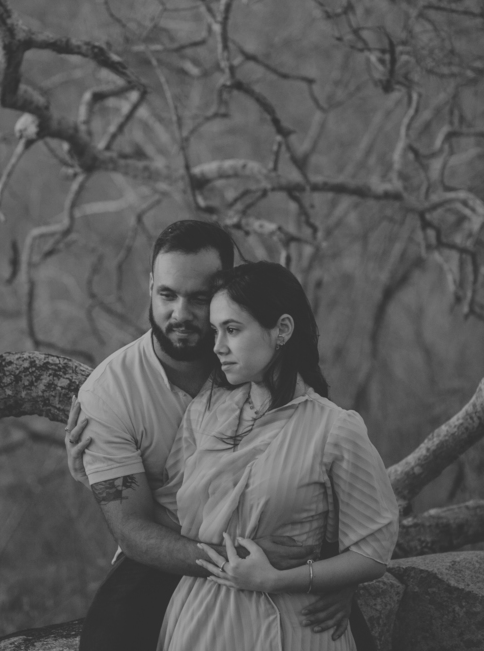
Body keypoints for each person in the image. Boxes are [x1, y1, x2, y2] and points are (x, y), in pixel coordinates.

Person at [64, 221, 362, 651]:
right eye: (167, 294)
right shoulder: (108, 392)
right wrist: (238, 560)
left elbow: (324, 456)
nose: (180, 313)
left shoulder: (257, 360)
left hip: (284, 541)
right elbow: (131, 528)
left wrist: (341, 572)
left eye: (199, 298)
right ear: (150, 287)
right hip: (168, 552)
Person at [156, 261, 399, 651]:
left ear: (282, 330)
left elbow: (372, 554)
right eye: (216, 331)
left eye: (232, 330)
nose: (218, 346)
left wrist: (277, 579)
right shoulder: (205, 413)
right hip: (202, 621)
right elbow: (166, 513)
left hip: (294, 625)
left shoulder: (334, 428)